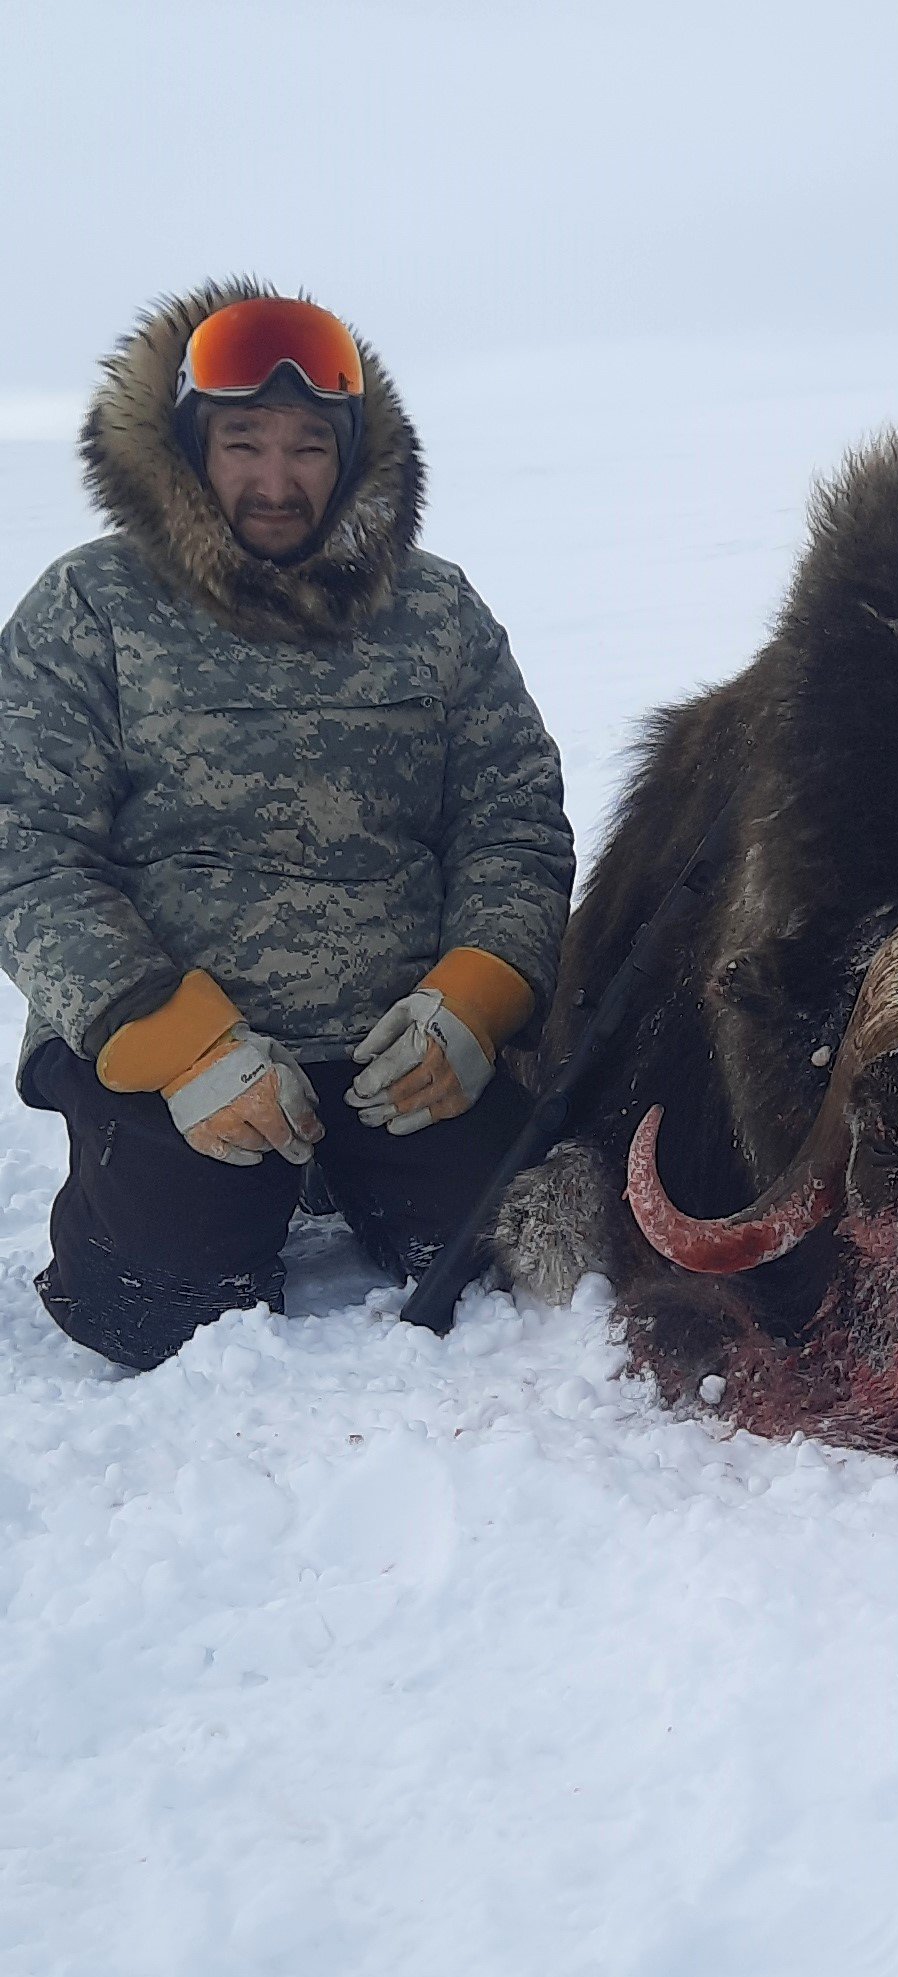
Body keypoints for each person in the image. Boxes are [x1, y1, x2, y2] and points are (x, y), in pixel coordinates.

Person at [0, 282, 575, 1366]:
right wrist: (174, 1043)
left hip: (399, 1043)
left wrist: (475, 997)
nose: (275, 479)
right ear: (186, 446)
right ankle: (156, 1171)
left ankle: (338, 1160)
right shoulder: (89, 608)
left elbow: (512, 819)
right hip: (177, 1049)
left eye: (308, 445)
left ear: (352, 454)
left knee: (501, 1255)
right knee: (155, 1310)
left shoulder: (438, 609)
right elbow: (26, 852)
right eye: (243, 440)